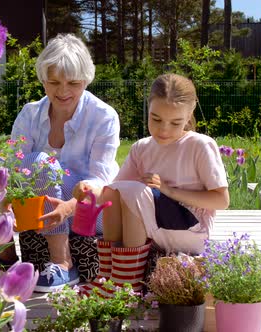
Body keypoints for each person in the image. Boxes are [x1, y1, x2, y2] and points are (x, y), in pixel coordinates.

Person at [0, 33, 120, 292]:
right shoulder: (30, 113)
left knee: (39, 162)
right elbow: (13, 168)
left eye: (73, 82)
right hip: (40, 206)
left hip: (91, 210)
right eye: (54, 81)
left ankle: (62, 262)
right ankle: (5, 253)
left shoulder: (104, 116)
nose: (63, 91)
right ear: (43, 79)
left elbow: (100, 181)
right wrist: (6, 199)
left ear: (86, 80)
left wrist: (68, 207)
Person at [76, 73, 229, 296]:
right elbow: (114, 193)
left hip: (191, 230)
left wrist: (168, 191)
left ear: (189, 115)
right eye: (155, 119)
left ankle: (127, 284)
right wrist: (87, 191)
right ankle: (107, 277)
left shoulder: (200, 145)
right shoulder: (142, 147)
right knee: (118, 192)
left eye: (176, 123)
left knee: (134, 191)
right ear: (147, 108)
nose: (163, 130)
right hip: (158, 227)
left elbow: (222, 201)